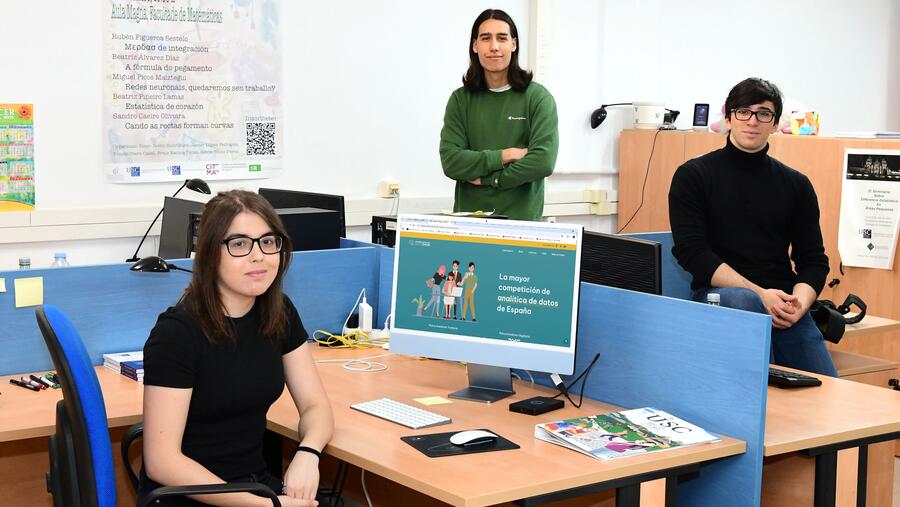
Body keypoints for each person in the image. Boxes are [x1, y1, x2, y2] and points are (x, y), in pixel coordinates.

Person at [139, 190, 334, 506]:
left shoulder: (278, 312)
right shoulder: (177, 333)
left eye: (268, 242)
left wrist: (308, 454)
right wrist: (267, 505)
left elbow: (316, 406)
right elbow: (163, 462)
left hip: (256, 486)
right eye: (239, 244)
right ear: (210, 254)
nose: (258, 255)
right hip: (193, 497)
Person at [668, 77, 838, 377]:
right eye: (743, 111)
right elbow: (692, 253)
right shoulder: (694, 175)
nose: (752, 121)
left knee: (825, 387)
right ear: (729, 117)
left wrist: (799, 304)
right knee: (747, 303)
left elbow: (813, 261)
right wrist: (761, 294)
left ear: (774, 124)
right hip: (721, 296)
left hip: (781, 304)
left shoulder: (796, 184)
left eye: (764, 113)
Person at [439, 8, 558, 222]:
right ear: (475, 46)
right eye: (486, 38)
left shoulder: (538, 98)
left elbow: (543, 161)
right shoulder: (460, 100)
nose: (494, 46)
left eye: (501, 38)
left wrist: (491, 179)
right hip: (468, 226)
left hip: (523, 228)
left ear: (513, 44)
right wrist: (505, 155)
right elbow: (451, 161)